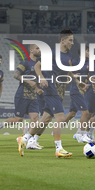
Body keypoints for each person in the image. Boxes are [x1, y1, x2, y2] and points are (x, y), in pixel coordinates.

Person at [31, 29, 88, 158]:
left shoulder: (68, 56)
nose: (72, 43)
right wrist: (41, 78)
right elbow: (36, 66)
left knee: (45, 119)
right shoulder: (52, 53)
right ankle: (58, 149)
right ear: (63, 40)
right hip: (51, 90)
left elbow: (67, 71)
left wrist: (77, 81)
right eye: (70, 40)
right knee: (60, 118)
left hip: (60, 92)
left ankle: (26, 139)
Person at [0, 45, 44, 150]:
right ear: (31, 50)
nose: (40, 50)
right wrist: (28, 80)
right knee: (18, 119)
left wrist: (39, 87)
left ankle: (30, 143)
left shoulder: (39, 64)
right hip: (22, 95)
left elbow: (36, 80)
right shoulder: (25, 62)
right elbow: (16, 75)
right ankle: (0, 125)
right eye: (37, 48)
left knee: (35, 119)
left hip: (33, 96)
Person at [63, 46, 93, 143]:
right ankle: (82, 134)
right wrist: (72, 76)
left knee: (72, 114)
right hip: (76, 90)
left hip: (83, 90)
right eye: (88, 51)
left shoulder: (88, 63)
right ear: (83, 52)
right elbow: (66, 71)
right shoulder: (74, 62)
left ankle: (56, 130)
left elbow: (89, 75)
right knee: (86, 112)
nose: (89, 53)